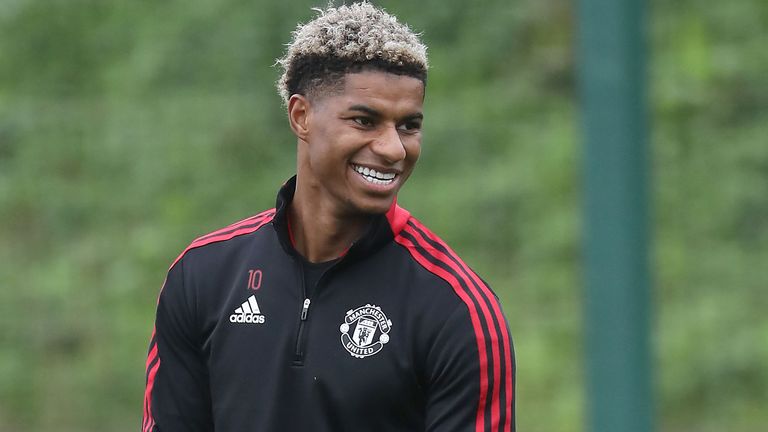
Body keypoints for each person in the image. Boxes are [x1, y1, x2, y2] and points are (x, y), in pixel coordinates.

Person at [141, 3, 515, 431]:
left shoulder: (458, 309)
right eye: (364, 120)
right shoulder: (203, 275)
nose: (394, 148)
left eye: (409, 125)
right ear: (301, 116)